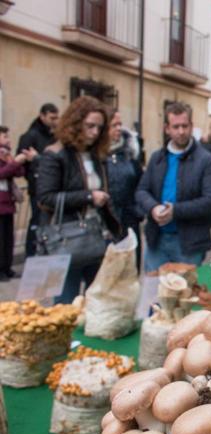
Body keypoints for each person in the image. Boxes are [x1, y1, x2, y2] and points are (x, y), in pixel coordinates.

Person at [36, 96, 122, 303]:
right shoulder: (55, 154)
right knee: (66, 305)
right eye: (90, 126)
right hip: (64, 240)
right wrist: (89, 196)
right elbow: (45, 198)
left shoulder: (96, 155)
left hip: (96, 237)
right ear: (75, 124)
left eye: (99, 127)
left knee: (98, 302)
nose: (94, 132)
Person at [136, 102, 211, 273]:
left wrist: (175, 210)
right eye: (176, 127)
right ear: (167, 129)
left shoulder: (206, 160)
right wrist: (153, 208)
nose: (181, 131)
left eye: (185, 126)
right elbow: (141, 191)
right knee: (153, 294)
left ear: (191, 126)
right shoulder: (157, 158)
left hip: (190, 243)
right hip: (157, 240)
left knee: (187, 294)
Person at [17, 103, 59, 257]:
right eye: (52, 118)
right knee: (37, 222)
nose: (55, 121)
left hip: (54, 188)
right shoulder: (31, 136)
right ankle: (32, 254)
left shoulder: (54, 137)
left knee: (50, 223)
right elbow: (22, 163)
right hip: (38, 188)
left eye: (57, 118)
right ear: (42, 116)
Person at [106, 110, 143, 269]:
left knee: (129, 269)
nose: (119, 128)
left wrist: (138, 210)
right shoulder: (96, 156)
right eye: (114, 125)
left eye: (120, 124)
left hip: (129, 221)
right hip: (105, 224)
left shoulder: (129, 154)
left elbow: (141, 184)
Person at [0, 126, 29, 281]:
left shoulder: (6, 156)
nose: (8, 140)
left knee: (8, 239)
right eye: (4, 136)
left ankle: (7, 267)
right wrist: (13, 164)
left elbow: (19, 173)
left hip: (7, 203)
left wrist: (15, 162)